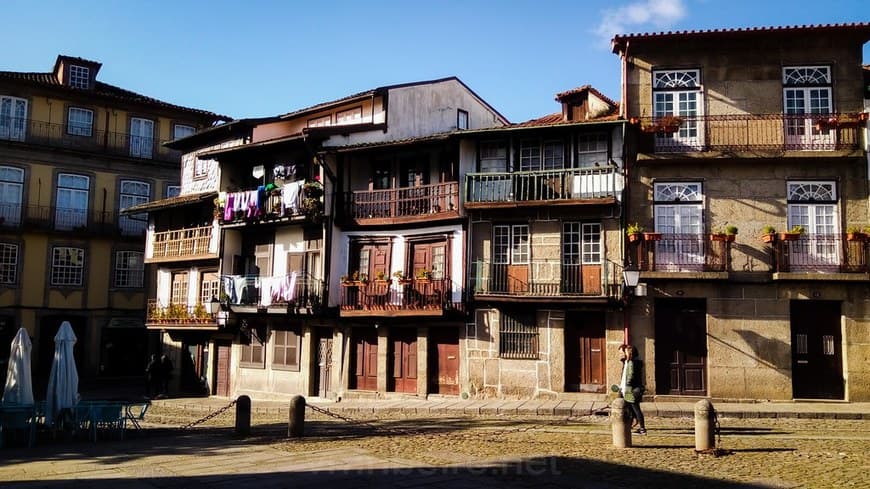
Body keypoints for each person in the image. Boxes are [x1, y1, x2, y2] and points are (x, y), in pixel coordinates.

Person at [619, 344, 646, 435]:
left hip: (631, 389)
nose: (624, 353)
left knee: (635, 408)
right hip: (630, 389)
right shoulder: (630, 362)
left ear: (630, 353)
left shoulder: (631, 363)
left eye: (626, 352)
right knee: (630, 408)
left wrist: (627, 386)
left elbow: (630, 376)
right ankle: (630, 426)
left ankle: (642, 429)